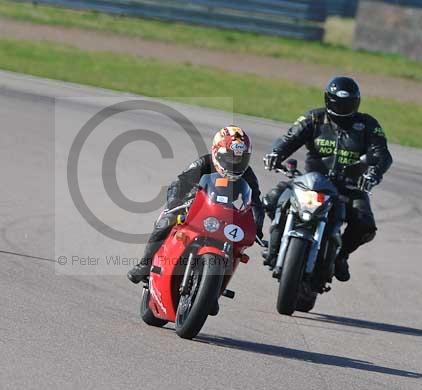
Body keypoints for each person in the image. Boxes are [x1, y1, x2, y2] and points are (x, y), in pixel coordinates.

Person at [263, 76, 392, 282]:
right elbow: (290, 138)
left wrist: (372, 175)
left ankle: (341, 256)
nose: (342, 107)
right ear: (328, 99)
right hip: (311, 182)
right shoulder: (314, 118)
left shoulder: (367, 125)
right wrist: (276, 153)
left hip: (348, 187)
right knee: (271, 199)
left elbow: (382, 154)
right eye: (338, 102)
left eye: (347, 103)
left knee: (365, 224)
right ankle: (275, 244)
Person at [127, 125, 266, 284]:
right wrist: (175, 204)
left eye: (241, 159)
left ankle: (215, 290)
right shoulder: (204, 163)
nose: (235, 163)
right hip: (196, 204)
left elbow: (255, 202)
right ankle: (144, 264)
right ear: (216, 151)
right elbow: (179, 184)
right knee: (166, 220)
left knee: (236, 249)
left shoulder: (248, 174)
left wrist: (257, 226)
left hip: (226, 213)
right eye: (230, 157)